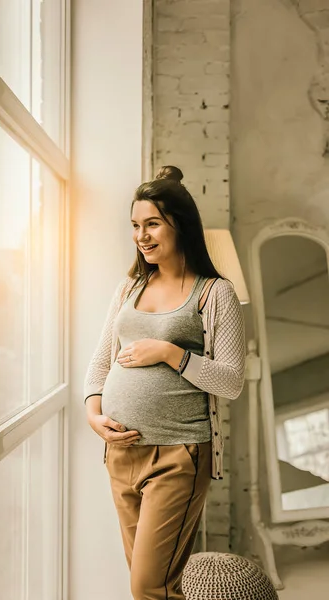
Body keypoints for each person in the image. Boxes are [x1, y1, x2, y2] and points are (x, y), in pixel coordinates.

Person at [84, 165, 246, 600]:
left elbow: (231, 382)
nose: (142, 235)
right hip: (120, 452)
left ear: (181, 224)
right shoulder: (129, 287)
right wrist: (94, 415)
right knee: (152, 585)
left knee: (148, 587)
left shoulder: (215, 294)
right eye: (136, 225)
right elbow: (100, 362)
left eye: (152, 223)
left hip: (178, 455)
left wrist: (170, 352)